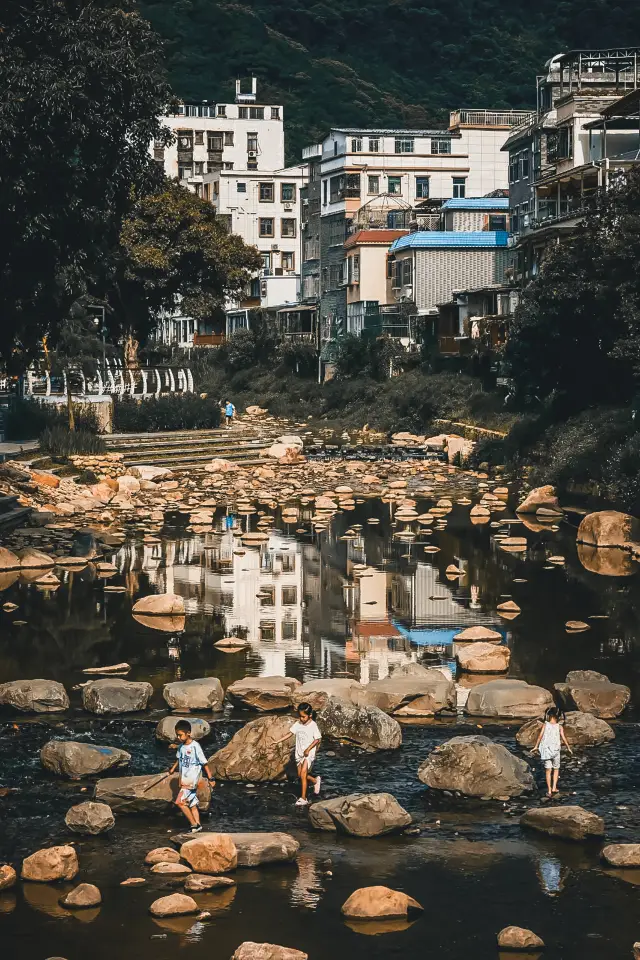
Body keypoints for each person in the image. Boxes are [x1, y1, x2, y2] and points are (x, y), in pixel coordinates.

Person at [168, 719, 216, 832]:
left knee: (180, 802)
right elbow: (179, 759)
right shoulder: (181, 747)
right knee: (192, 804)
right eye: (177, 735)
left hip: (191, 780)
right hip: (184, 779)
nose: (178, 737)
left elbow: (204, 762)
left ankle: (194, 825)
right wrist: (173, 769)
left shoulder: (195, 746)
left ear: (188, 733)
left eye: (180, 735)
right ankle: (198, 826)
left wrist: (211, 778)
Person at [274, 702, 322, 807]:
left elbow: (317, 739)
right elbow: (290, 733)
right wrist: (278, 741)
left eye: (303, 716)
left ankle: (303, 798)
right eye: (300, 716)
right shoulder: (298, 724)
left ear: (310, 715)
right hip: (299, 753)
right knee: (300, 775)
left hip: (308, 754)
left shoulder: (313, 725)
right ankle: (315, 781)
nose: (301, 718)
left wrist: (308, 749)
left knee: (303, 773)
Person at [533, 706, 573, 798]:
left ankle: (549, 790)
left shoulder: (545, 725)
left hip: (546, 750)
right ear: (558, 716)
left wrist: (536, 746)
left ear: (549, 715)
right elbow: (563, 738)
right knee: (556, 769)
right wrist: (568, 748)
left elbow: (540, 736)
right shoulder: (559, 726)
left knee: (548, 770)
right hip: (556, 751)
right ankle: (554, 787)